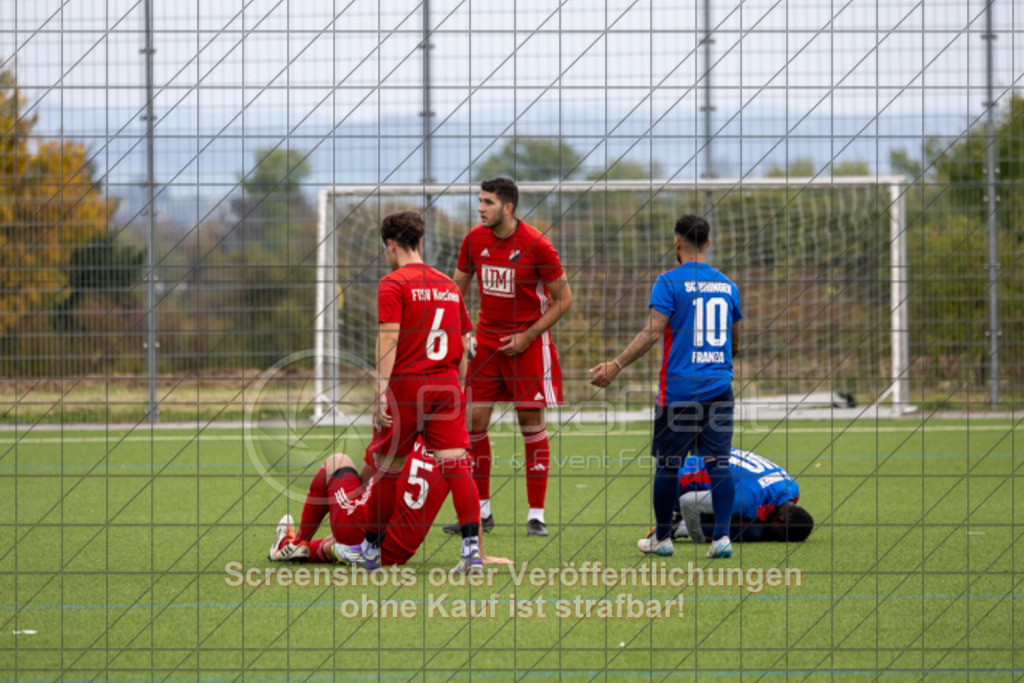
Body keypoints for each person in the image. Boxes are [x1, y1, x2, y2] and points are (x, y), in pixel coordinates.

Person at [590, 214, 742, 559]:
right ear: (708, 243)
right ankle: (721, 539)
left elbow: (652, 332)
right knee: (718, 462)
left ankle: (661, 537)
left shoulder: (668, 282)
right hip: (720, 387)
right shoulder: (728, 285)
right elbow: (734, 343)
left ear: (677, 243)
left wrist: (616, 365)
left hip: (680, 391)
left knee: (668, 464)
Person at [344, 211, 482, 570]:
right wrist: (461, 388)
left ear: (391, 246)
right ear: (420, 242)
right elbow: (466, 342)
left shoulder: (393, 283)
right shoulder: (449, 285)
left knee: (389, 469)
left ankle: (371, 551)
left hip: (407, 385)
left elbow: (389, 336)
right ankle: (471, 553)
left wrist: (380, 391)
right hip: (446, 384)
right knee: (457, 466)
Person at [441, 177, 573, 537]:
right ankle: (481, 512)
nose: (480, 208)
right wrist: (463, 332)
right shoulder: (473, 240)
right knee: (473, 425)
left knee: (530, 427)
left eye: (487, 202)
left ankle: (536, 516)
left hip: (528, 348)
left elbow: (565, 300)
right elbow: (456, 291)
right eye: (480, 201)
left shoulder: (537, 245)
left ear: (508, 207)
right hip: (486, 346)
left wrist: (528, 335)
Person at [269, 440, 510, 570]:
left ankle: (298, 540)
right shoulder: (456, 448)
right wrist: (482, 553)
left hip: (366, 533)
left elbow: (363, 482)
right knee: (349, 534)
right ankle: (320, 548)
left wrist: (346, 518)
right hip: (398, 553)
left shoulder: (397, 424)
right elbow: (469, 501)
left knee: (338, 461)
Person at [658, 448, 813, 544]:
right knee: (754, 531)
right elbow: (688, 502)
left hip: (710, 458)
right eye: (780, 536)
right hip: (677, 483)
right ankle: (677, 524)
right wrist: (697, 537)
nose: (775, 539)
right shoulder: (744, 500)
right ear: (781, 520)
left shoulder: (792, 487)